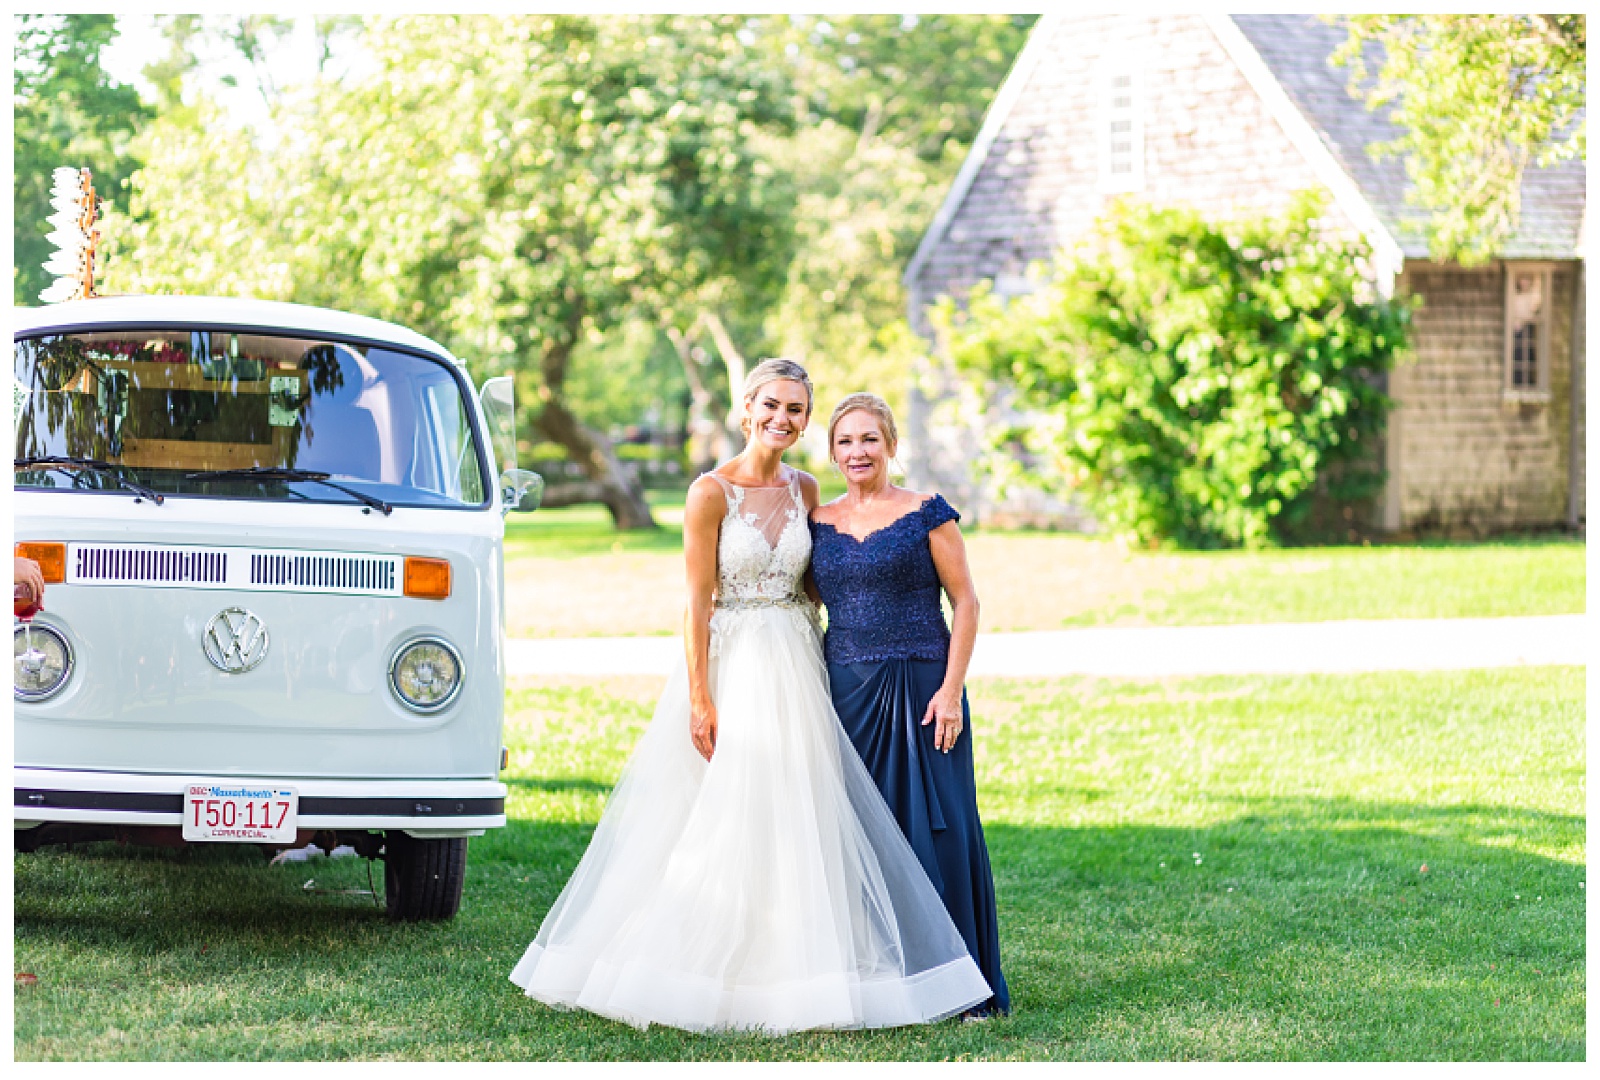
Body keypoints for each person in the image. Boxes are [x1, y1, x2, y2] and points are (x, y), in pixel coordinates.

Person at [510, 360, 991, 1034]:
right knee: (723, 810)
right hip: (735, 660)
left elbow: (828, 579)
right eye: (772, 405)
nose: (782, 419)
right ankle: (705, 962)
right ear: (746, 409)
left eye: (796, 409)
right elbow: (695, 601)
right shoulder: (709, 492)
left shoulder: (806, 489)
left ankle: (816, 959)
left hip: (799, 658)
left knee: (806, 809)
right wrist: (701, 698)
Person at [808, 393, 1010, 1018]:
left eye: (870, 439)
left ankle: (961, 985)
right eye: (845, 442)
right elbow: (809, 597)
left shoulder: (927, 513)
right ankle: (883, 980)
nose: (857, 452)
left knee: (939, 828)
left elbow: (967, 603)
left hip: (926, 690)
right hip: (847, 692)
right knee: (862, 834)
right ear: (832, 452)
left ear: (891, 445)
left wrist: (950, 692)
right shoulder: (818, 519)